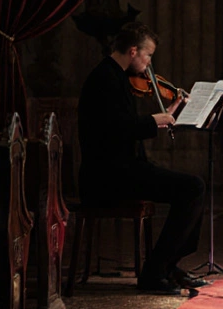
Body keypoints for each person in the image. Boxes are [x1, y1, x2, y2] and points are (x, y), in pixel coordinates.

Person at [78, 22, 208, 295]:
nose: (149, 64)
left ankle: (168, 266)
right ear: (133, 51)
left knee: (192, 187)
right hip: (108, 176)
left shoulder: (116, 76)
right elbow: (114, 128)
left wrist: (168, 113)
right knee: (192, 187)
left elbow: (124, 126)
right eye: (148, 56)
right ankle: (155, 272)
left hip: (125, 169)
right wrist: (152, 120)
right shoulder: (105, 79)